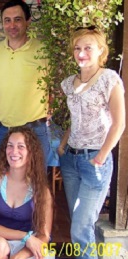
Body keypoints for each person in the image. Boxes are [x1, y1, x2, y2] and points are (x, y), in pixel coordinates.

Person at [57, 26, 125, 259]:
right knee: (78, 224)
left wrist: (101, 156)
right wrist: (63, 145)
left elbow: (119, 124)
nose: (81, 52)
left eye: (88, 47)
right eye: (77, 48)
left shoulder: (109, 79)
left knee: (80, 227)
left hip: (94, 160)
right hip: (70, 161)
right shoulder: (68, 83)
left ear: (100, 50)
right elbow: (75, 119)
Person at [0, 0, 50, 167]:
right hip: (0, 131)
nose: (12, 25)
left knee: (35, 184)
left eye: (17, 19)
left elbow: (53, 90)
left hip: (34, 130)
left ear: (28, 21)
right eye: (7, 20)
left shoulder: (43, 51)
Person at [0, 127, 53, 259]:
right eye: (10, 146)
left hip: (29, 246)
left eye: (21, 146)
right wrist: (25, 236)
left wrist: (19, 256)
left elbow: (44, 234)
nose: (14, 151)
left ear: (31, 152)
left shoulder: (41, 189)